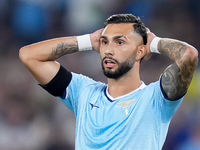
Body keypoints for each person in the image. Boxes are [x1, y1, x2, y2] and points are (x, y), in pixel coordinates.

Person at [19, 14, 198, 150]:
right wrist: (88, 41)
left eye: (120, 42)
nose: (108, 50)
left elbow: (189, 55)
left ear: (140, 51)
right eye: (105, 42)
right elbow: (29, 56)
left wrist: (154, 43)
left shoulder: (156, 98)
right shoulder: (83, 91)